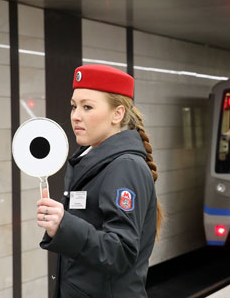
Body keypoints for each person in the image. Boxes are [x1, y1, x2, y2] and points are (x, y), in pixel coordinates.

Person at [36, 64, 162, 298]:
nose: (76, 116)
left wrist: (64, 226)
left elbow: (121, 252)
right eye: (74, 106)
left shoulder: (124, 167)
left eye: (87, 107)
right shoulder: (94, 161)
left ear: (118, 114)